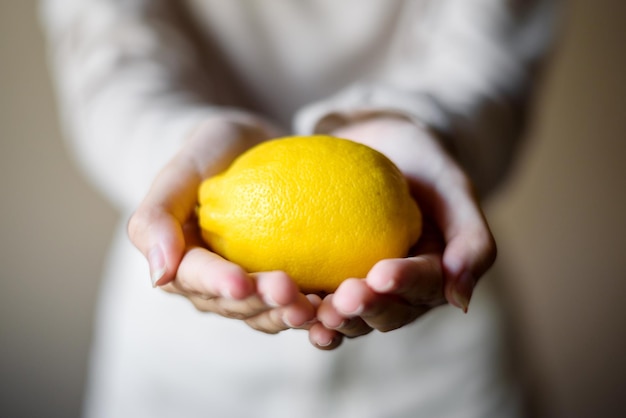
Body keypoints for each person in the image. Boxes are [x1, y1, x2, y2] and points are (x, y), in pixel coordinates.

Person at [41, 0, 558, 417]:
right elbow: (106, 55)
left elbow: (489, 52)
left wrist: (431, 130)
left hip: (436, 354)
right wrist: (176, 163)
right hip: (184, 359)